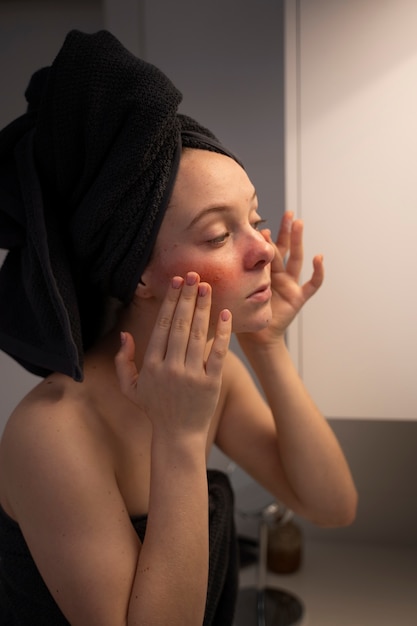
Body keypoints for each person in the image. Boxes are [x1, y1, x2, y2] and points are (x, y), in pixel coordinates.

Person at [0, 30, 357, 626]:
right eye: (220, 234)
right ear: (138, 276)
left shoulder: (207, 378)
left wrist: (265, 345)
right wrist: (183, 439)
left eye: (256, 219)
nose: (264, 250)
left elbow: (331, 505)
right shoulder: (53, 433)